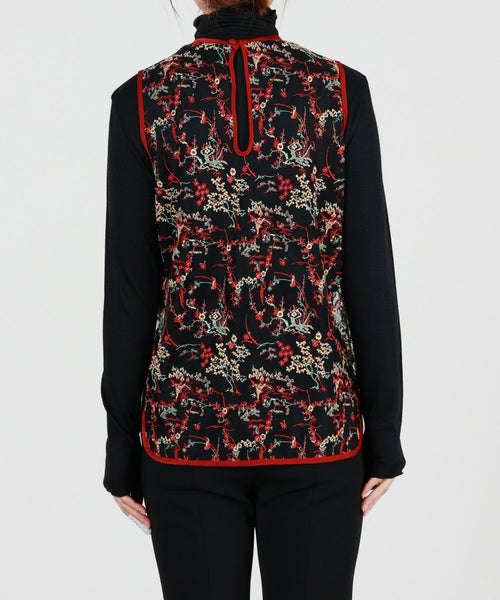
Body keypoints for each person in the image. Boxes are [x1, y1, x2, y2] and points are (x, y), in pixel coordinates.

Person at [100, 0, 406, 598]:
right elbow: (369, 274)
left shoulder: (142, 99)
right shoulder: (338, 92)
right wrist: (385, 435)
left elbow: (131, 292)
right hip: (317, 432)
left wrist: (121, 447)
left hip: (186, 436)